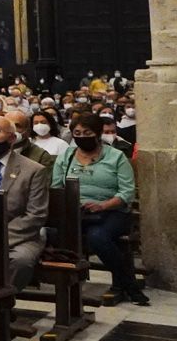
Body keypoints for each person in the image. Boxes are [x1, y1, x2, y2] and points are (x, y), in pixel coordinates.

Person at [51, 110, 148, 305]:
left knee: (98, 237)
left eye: (87, 133)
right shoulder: (67, 156)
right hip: (77, 211)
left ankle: (127, 284)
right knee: (52, 233)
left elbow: (127, 192)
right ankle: (67, 286)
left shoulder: (116, 157)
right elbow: (56, 186)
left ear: (97, 133)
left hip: (113, 211)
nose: (82, 137)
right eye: (77, 133)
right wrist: (73, 204)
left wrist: (103, 205)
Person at [0, 114, 49, 292]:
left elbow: (35, 215)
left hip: (20, 237)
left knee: (21, 261)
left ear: (12, 138)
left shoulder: (34, 170)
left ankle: (3, 303)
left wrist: (0, 239)